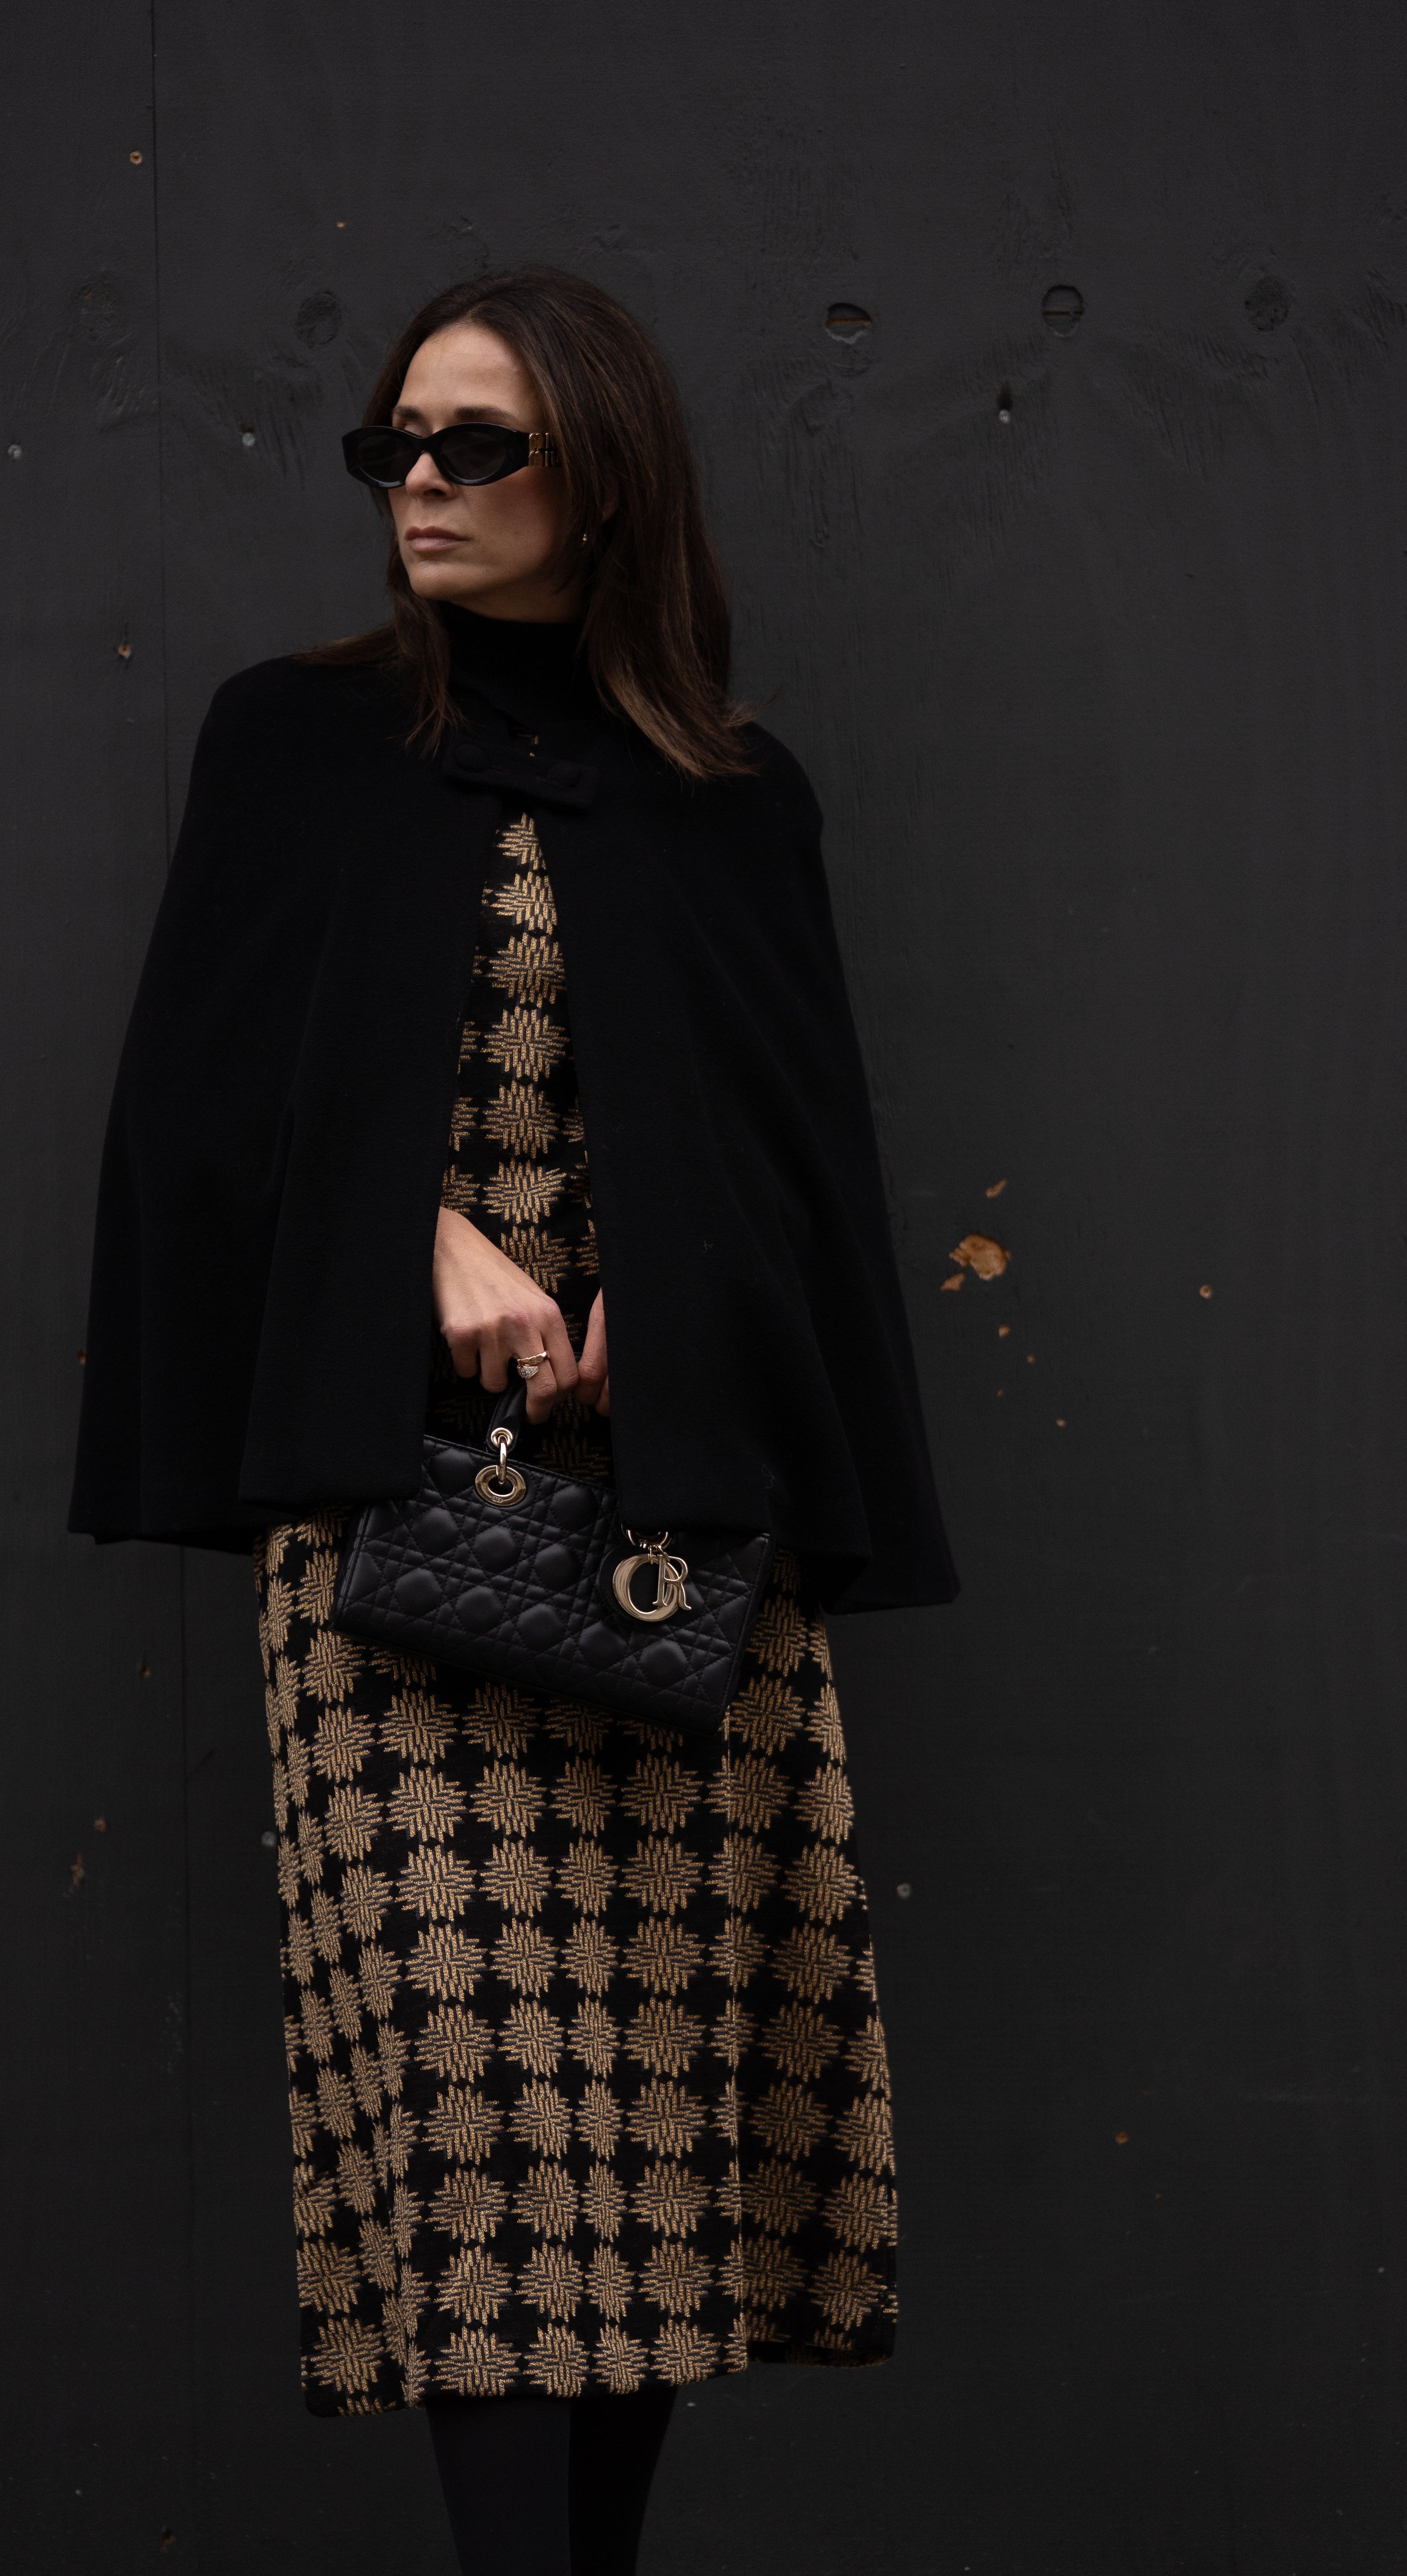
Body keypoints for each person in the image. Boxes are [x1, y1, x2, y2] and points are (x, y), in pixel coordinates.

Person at [70, 267, 956, 2576]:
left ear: (607, 476)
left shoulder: (734, 799)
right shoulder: (295, 743)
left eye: (479, 444)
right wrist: (414, 1247)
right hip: (395, 1539)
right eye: (397, 443)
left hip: (675, 1535)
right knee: (479, 2136)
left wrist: (682, 1292)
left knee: (648, 2138)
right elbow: (191, 1114)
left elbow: (804, 1167)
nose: (422, 484)